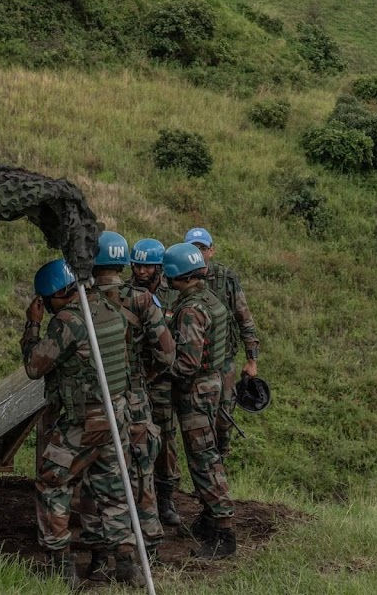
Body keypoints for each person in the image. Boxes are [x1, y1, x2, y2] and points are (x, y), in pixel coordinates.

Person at [21, 259, 145, 589]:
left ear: (53, 296)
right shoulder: (107, 307)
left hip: (86, 420)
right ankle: (126, 566)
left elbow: (35, 366)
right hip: (117, 414)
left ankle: (61, 569)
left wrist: (32, 326)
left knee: (51, 482)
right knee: (112, 489)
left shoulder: (68, 320)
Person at [80, 232, 175, 577]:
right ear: (122, 262)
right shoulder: (143, 301)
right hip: (134, 400)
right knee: (141, 474)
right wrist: (142, 378)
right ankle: (147, 549)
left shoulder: (82, 300)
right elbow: (166, 353)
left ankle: (99, 556)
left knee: (95, 476)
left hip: (94, 401)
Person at [163, 243, 236, 560]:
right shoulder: (210, 299)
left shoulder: (191, 310)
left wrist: (160, 371)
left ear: (175, 275)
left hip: (196, 391)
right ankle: (209, 519)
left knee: (204, 460)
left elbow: (187, 363)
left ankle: (223, 532)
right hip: (213, 386)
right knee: (204, 457)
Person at [183, 227, 260, 459]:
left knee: (224, 414)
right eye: (192, 248)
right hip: (191, 361)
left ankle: (220, 462)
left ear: (211, 251)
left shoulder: (226, 278)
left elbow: (243, 316)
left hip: (223, 360)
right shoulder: (177, 276)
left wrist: (252, 359)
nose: (198, 253)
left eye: (202, 248)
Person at [128, 238, 182, 527]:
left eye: (147, 265)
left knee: (164, 439)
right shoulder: (125, 293)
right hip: (133, 379)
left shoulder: (172, 295)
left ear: (159, 267)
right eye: (136, 264)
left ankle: (165, 496)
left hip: (162, 379)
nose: (140, 270)